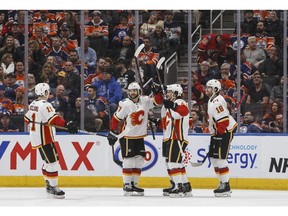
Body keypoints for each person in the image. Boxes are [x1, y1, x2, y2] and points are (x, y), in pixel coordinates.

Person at [107, 82, 163, 196]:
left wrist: (158, 91)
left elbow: (158, 101)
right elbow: (116, 118)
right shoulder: (125, 104)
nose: (132, 93)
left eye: (135, 90)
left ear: (139, 92)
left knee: (139, 160)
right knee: (128, 160)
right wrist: (113, 131)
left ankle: (135, 184)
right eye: (130, 91)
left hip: (140, 136)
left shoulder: (145, 101)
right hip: (127, 136)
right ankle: (126, 184)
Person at [24, 83, 78, 199]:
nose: (50, 93)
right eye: (48, 91)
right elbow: (54, 119)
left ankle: (48, 183)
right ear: (45, 92)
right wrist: (67, 124)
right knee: (53, 162)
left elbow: (26, 119)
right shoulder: (45, 105)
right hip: (45, 138)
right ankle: (53, 187)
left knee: (47, 161)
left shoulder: (33, 104)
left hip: (36, 138)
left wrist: (39, 120)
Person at [205, 79, 238, 197]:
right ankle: (222, 182)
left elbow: (223, 121)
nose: (206, 89)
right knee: (214, 159)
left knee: (220, 158)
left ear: (215, 89)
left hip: (225, 131)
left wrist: (219, 135)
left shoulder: (217, 102)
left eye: (208, 87)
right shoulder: (212, 100)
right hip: (218, 132)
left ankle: (226, 185)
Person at [160, 84, 192, 197]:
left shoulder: (180, 102)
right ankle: (185, 185)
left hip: (177, 137)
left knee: (173, 162)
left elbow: (183, 112)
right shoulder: (170, 105)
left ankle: (178, 186)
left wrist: (173, 105)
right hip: (169, 137)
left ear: (176, 93)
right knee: (174, 163)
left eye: (170, 92)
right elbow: (167, 122)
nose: (167, 94)